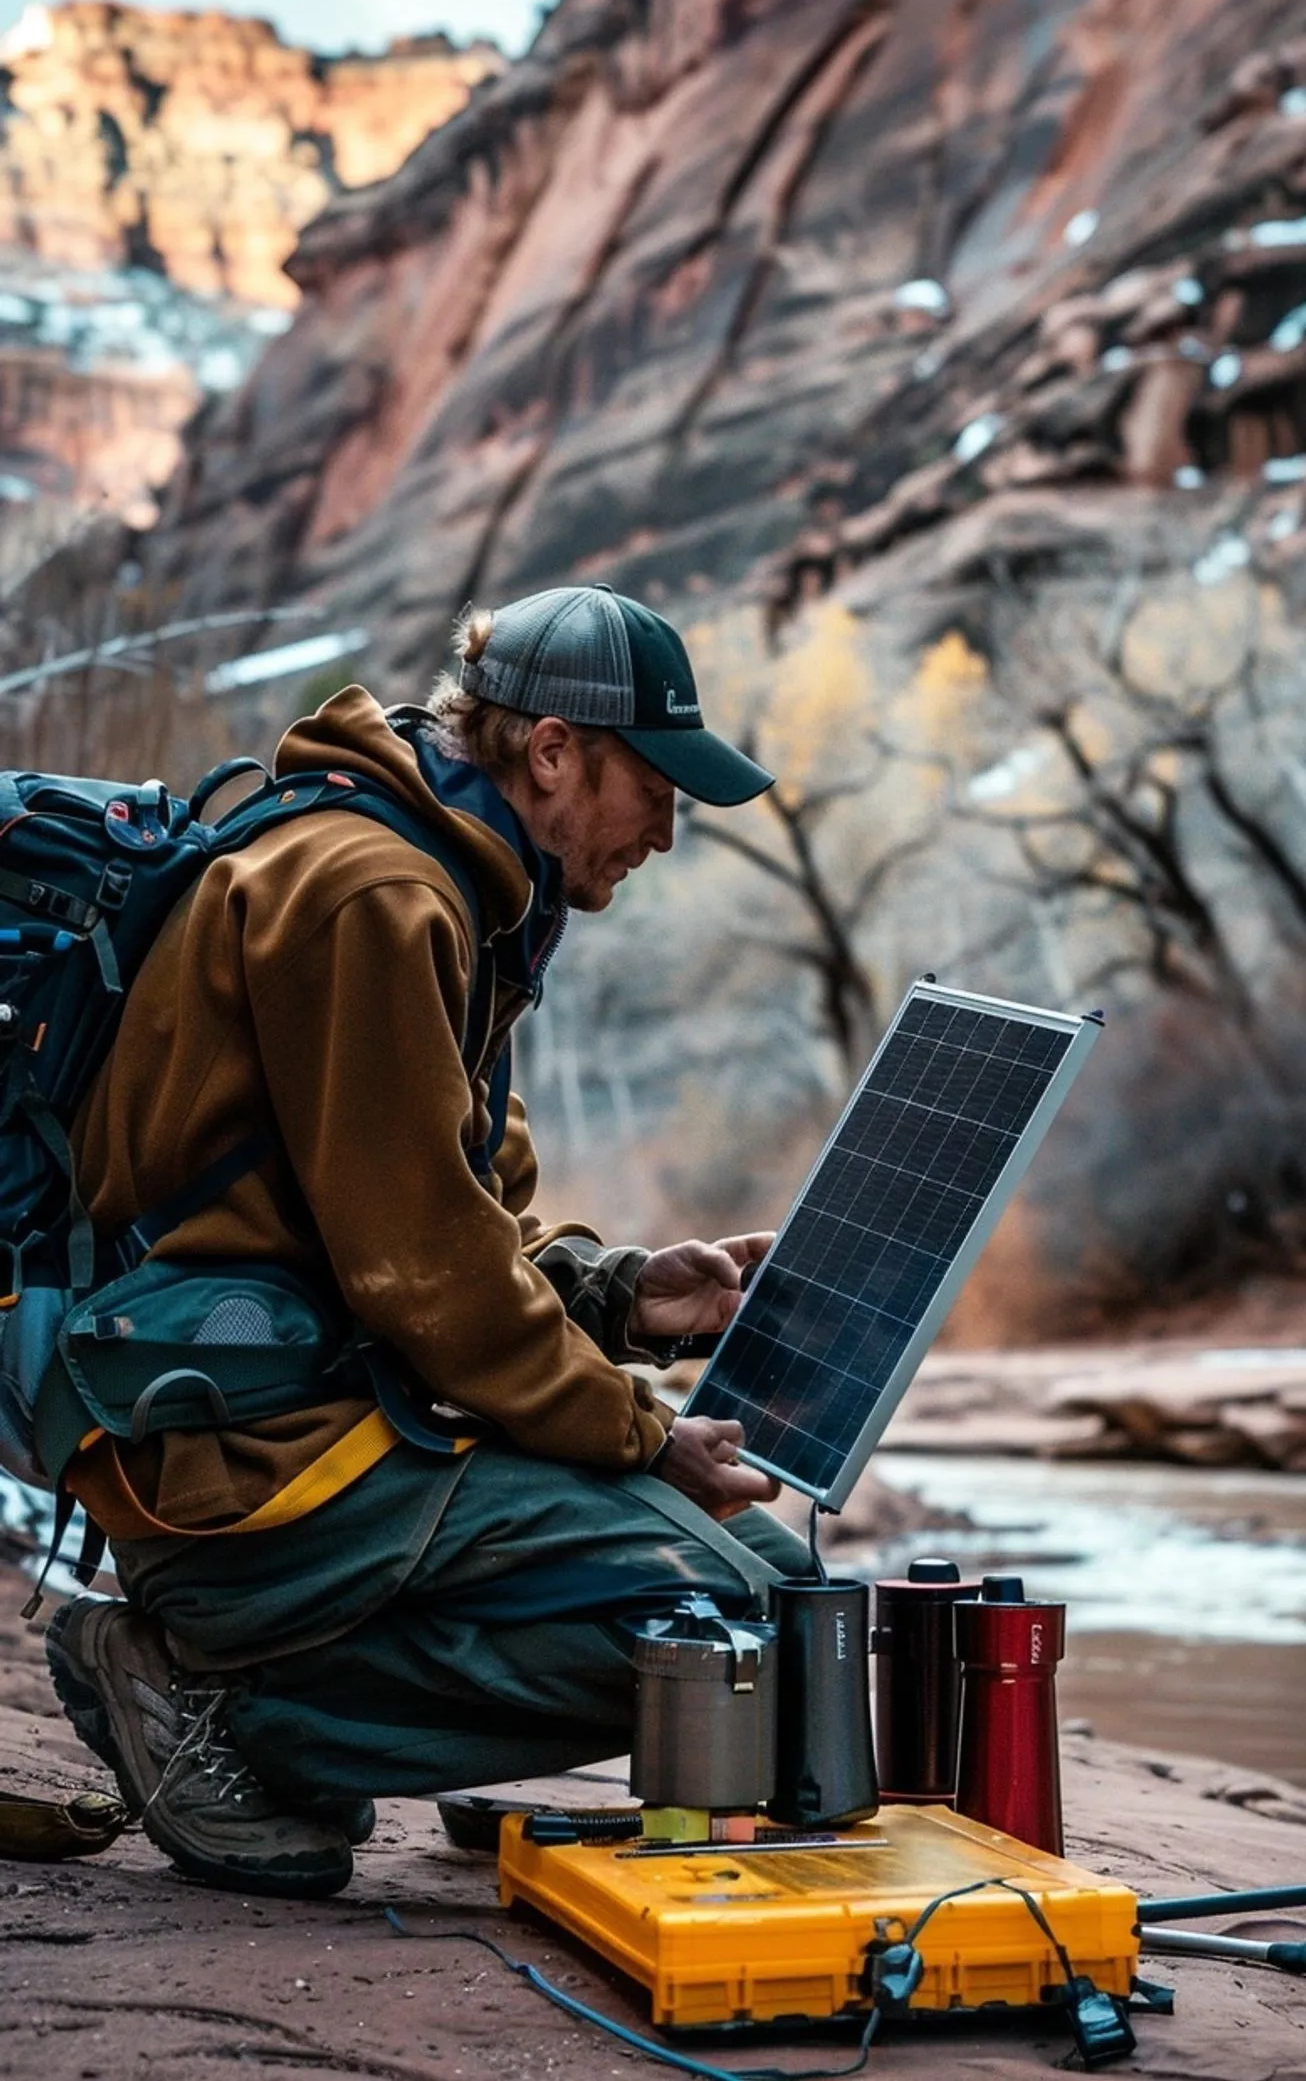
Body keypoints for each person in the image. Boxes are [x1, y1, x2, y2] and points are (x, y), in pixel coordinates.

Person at [46, 584, 814, 1898]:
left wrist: (630, 1295)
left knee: (785, 1593)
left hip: (326, 1416)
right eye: (657, 784)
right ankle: (213, 1689)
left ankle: (267, 1671)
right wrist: (641, 1434)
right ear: (556, 752)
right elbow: (426, 1279)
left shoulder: (458, 884)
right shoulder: (379, 895)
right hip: (252, 1456)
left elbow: (465, 1227)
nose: (669, 830)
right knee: (738, 1634)